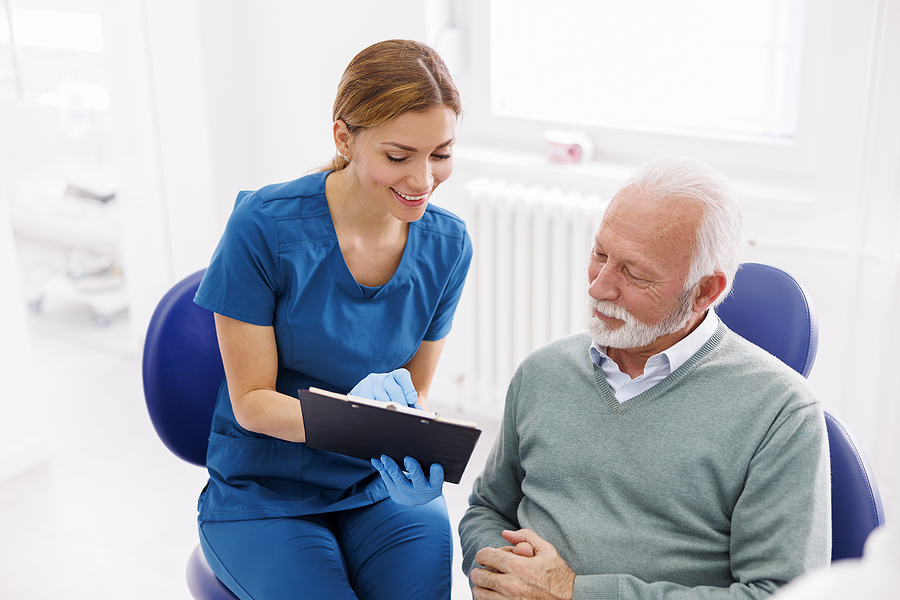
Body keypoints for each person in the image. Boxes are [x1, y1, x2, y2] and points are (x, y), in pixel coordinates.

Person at [458, 155, 831, 599]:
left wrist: (572, 592)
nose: (598, 287)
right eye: (600, 254)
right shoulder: (543, 372)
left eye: (633, 273)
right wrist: (499, 573)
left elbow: (777, 594)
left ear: (705, 291)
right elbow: (487, 510)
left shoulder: (782, 412)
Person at [193, 39, 472, 600]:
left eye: (440, 153)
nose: (423, 180)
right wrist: (354, 422)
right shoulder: (263, 228)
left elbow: (413, 391)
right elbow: (251, 401)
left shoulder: (448, 245)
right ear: (344, 137)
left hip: (376, 483)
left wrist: (409, 443)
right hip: (263, 491)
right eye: (399, 156)